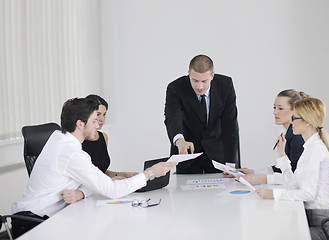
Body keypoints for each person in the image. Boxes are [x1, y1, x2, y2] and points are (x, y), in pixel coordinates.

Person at [12, 98, 177, 238]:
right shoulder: (72, 154)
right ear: (80, 124)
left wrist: (82, 192)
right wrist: (149, 174)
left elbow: (92, 182)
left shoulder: (58, 138)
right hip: (35, 226)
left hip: (39, 218)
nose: (98, 126)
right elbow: (111, 190)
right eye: (93, 121)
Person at [256, 97, 329, 240]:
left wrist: (274, 194)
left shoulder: (315, 150)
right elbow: (295, 185)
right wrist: (283, 156)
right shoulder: (309, 148)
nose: (291, 122)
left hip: (326, 226)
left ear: (307, 122)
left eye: (294, 118)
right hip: (317, 220)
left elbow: (307, 194)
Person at [164, 54, 239, 174]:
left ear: (212, 75)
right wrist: (180, 141)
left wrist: (231, 164)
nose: (199, 86)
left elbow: (230, 126)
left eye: (204, 81)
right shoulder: (175, 88)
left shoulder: (226, 85)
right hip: (188, 155)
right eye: (195, 80)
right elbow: (172, 117)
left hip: (218, 155)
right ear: (189, 74)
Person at [224, 89, 307, 185]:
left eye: (280, 108)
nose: (275, 112)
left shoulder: (298, 136)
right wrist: (252, 172)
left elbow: (292, 173)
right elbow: (282, 168)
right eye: (274, 107)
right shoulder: (286, 133)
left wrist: (259, 178)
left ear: (294, 111)